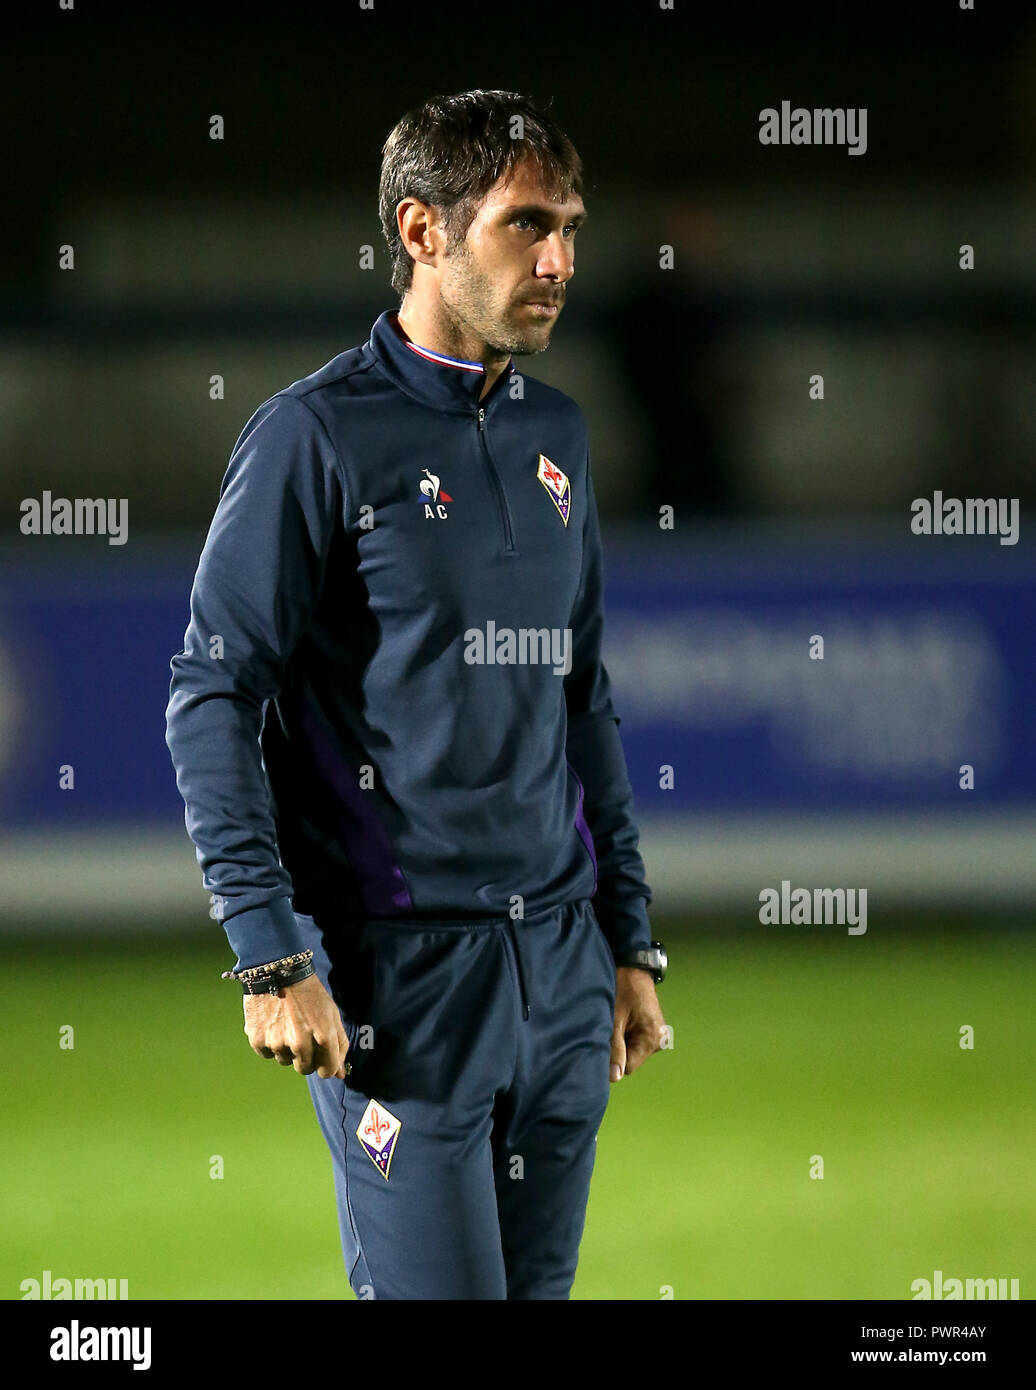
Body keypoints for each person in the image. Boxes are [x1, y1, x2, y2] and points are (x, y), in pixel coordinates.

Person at [165, 88, 667, 1301]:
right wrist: (268, 950)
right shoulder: (314, 437)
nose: (560, 261)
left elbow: (581, 699)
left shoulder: (560, 432)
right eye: (525, 225)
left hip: (559, 974)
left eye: (572, 229)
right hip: (402, 983)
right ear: (423, 232)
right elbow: (212, 695)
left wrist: (627, 936)